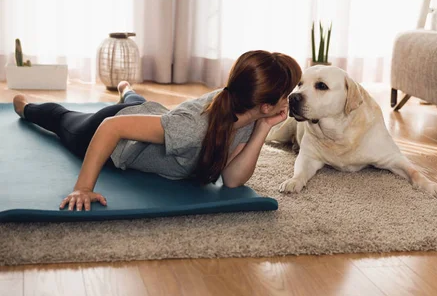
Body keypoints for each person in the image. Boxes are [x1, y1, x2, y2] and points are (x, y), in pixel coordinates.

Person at [12, 50, 301, 212]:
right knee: (62, 121)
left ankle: (128, 91)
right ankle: (25, 106)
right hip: (117, 132)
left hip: (157, 115)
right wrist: (84, 188)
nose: (291, 98)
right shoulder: (191, 129)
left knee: (141, 104)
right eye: (288, 93)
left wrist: (263, 128)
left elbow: (233, 180)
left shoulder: (248, 113)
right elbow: (111, 127)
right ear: (265, 104)